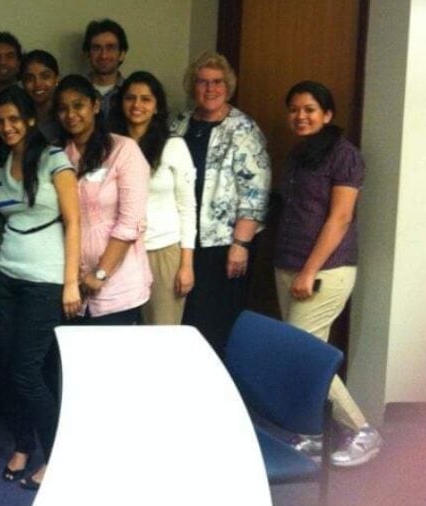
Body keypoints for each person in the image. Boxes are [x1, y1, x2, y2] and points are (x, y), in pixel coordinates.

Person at [277, 80, 381, 467]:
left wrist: (308, 271)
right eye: (294, 109)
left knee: (307, 354)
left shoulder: (344, 155)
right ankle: (315, 433)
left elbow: (339, 218)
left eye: (309, 109)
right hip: (288, 264)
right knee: (300, 354)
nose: (300, 116)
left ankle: (362, 429)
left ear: (327, 114)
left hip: (324, 270)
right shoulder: (300, 154)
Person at [0, 86, 80, 491]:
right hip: (6, 275)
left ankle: (60, 454)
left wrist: (72, 282)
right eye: (0, 121)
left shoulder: (53, 158)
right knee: (10, 369)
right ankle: (24, 445)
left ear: (29, 119)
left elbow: (74, 222)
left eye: (14, 119)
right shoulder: (1, 161)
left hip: (46, 279)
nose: (7, 127)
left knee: (27, 372)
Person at [171, 51, 271, 353]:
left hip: (223, 246)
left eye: (217, 82)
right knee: (181, 320)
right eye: (202, 82)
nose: (210, 88)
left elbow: (256, 191)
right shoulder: (179, 124)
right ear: (192, 86)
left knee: (214, 324)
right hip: (181, 241)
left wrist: (241, 245)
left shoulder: (244, 129)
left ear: (228, 86)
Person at [55, 74, 151, 325]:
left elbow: (130, 222)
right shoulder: (58, 156)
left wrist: (100, 273)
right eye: (63, 108)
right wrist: (72, 278)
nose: (71, 114)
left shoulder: (124, 150)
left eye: (78, 105)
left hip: (118, 288)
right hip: (71, 288)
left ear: (95, 105)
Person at [109, 71, 196, 325]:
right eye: (131, 98)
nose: (137, 105)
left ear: (157, 106)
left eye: (146, 99)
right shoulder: (108, 146)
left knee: (161, 337)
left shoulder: (174, 146)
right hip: (119, 252)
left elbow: (187, 207)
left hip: (163, 251)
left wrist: (186, 264)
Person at [82, 19, 129, 123]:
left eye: (110, 48)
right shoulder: (75, 92)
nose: (103, 55)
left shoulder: (132, 92)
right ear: (87, 54)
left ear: (122, 54)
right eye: (97, 48)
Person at [20, 49, 61, 143]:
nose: (38, 84)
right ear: (22, 83)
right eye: (30, 79)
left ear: (57, 79)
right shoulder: (19, 119)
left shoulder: (66, 116)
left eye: (45, 76)